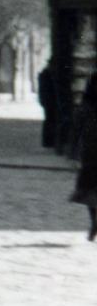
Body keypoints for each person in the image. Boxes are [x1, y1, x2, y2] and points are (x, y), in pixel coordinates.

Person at [70, 74, 97, 242]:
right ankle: (94, 222)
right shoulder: (84, 107)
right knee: (88, 191)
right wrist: (74, 154)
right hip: (90, 154)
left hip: (90, 153)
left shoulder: (84, 107)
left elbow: (75, 133)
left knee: (90, 191)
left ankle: (95, 222)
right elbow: (76, 132)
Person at [38, 60, 58, 150]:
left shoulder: (45, 74)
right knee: (50, 120)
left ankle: (49, 141)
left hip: (48, 101)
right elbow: (44, 90)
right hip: (49, 101)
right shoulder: (47, 75)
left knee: (49, 120)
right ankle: (48, 141)